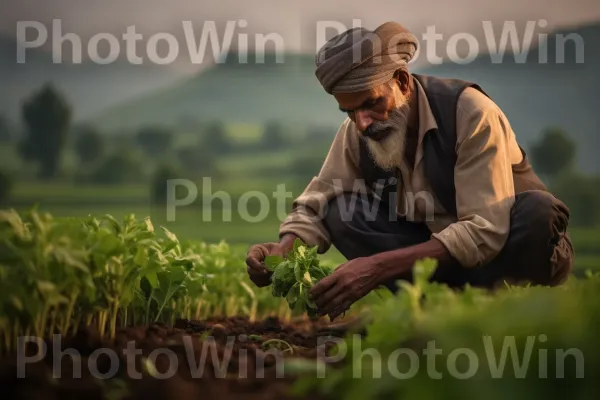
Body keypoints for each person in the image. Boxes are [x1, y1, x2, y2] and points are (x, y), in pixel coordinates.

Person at [245, 21, 574, 320]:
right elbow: (317, 201)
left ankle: (507, 312)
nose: (362, 122)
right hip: (439, 265)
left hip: (504, 256)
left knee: (538, 213)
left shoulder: (470, 112)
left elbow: (485, 231)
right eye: (349, 111)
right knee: (340, 210)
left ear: (401, 81)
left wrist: (376, 268)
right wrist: (283, 250)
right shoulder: (358, 131)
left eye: (371, 103)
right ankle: (427, 312)